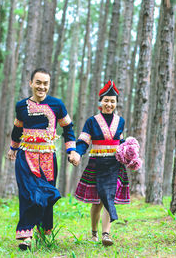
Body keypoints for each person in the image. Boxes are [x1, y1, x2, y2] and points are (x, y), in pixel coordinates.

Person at [7, 68, 79, 251]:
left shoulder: (57, 105)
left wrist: (71, 150)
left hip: (48, 158)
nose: (42, 87)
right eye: (38, 82)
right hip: (25, 157)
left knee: (48, 194)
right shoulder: (21, 106)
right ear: (31, 83)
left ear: (49, 85)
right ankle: (26, 237)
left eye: (45, 83)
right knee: (28, 194)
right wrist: (13, 148)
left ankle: (41, 233)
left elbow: (68, 129)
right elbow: (17, 130)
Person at [71, 80, 130, 246]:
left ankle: (106, 234)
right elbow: (83, 141)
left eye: (112, 101)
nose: (109, 104)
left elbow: (120, 141)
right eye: (106, 100)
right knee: (97, 202)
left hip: (114, 165)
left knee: (108, 198)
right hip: (96, 163)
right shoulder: (91, 121)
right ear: (100, 102)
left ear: (116, 103)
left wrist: (129, 152)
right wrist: (77, 153)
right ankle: (94, 233)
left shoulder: (121, 121)